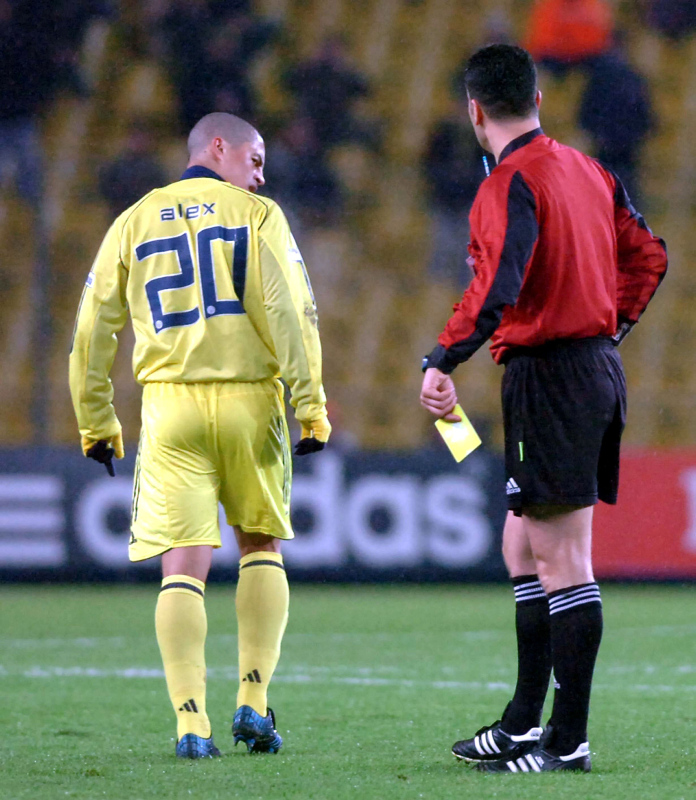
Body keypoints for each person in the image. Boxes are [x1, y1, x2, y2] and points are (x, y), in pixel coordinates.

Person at [420, 44, 667, 774]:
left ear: (474, 111)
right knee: (522, 547)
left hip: (552, 377)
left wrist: (442, 357)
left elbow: (498, 282)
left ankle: (569, 738)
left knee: (563, 559)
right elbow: (648, 256)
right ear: (537, 99)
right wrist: (605, 329)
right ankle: (524, 721)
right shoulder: (590, 170)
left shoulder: (508, 183)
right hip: (588, 369)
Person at [69, 112, 331, 759]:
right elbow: (292, 310)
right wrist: (311, 405)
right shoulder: (258, 216)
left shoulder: (134, 220)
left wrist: (96, 420)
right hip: (250, 401)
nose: (261, 176)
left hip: (169, 409)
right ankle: (254, 702)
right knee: (260, 546)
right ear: (218, 147)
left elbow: (92, 327)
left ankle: (191, 723)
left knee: (182, 567)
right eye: (255, 159)